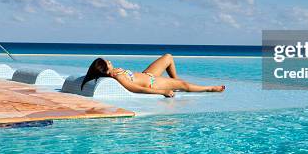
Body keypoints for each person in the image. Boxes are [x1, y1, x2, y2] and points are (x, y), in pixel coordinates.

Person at [81, 54, 225, 98]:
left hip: (148, 75)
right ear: (105, 69)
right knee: (184, 85)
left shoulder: (116, 72)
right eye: (108, 63)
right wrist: (162, 92)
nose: (110, 61)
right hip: (153, 83)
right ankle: (210, 88)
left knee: (168, 57)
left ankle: (175, 80)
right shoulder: (119, 77)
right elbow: (136, 89)